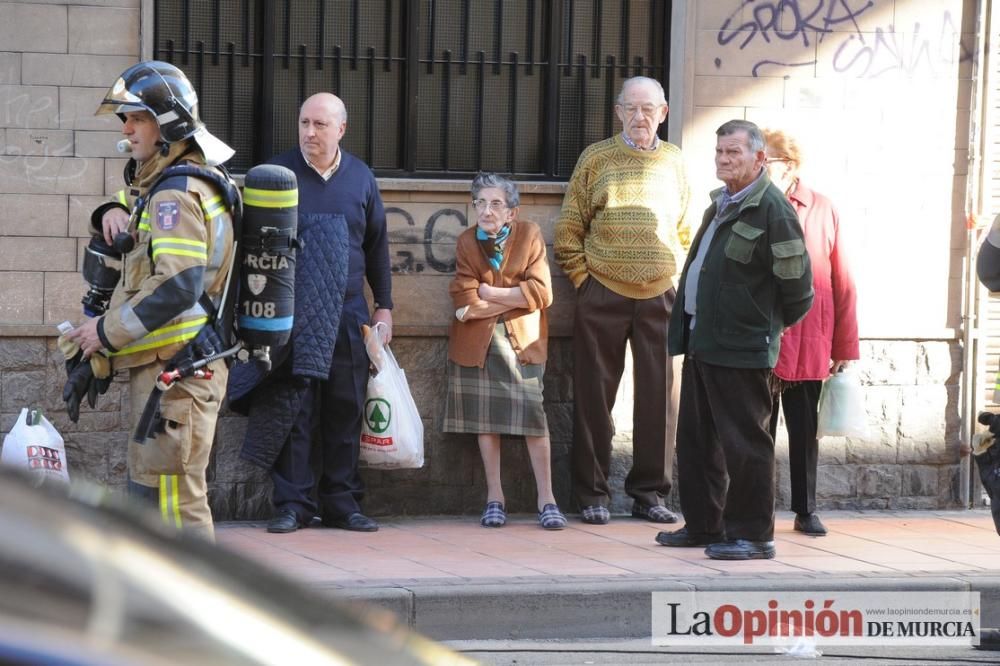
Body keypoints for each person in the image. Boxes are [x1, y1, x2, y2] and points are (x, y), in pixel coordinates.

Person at [65, 60, 237, 539]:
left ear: (168, 124)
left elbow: (177, 285)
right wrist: (112, 209)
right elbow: (136, 211)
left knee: (176, 508)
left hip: (180, 374)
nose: (127, 128)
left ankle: (199, 608)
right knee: (152, 501)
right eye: (126, 119)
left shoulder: (175, 195)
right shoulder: (174, 183)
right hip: (171, 372)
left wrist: (103, 333)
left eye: (137, 118)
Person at [229, 93, 392, 534]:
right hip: (290, 316)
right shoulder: (277, 177)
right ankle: (293, 505)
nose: (309, 133)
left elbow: (376, 248)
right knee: (292, 411)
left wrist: (385, 307)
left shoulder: (361, 178)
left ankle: (342, 503)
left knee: (345, 408)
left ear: (342, 129)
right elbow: (250, 248)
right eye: (304, 123)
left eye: (320, 124)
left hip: (347, 312)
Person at [657, 119, 814, 560]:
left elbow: (799, 290)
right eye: (720, 153)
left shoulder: (773, 210)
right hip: (703, 341)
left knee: (746, 444)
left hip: (743, 348)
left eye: (734, 153)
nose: (724, 160)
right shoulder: (721, 203)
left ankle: (753, 534)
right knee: (697, 441)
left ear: (759, 158)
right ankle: (706, 525)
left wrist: (763, 324)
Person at [554, 76, 691, 525]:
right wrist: (584, 282)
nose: (639, 117)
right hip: (602, 292)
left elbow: (686, 229)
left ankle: (650, 494)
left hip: (660, 295)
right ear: (618, 112)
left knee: (659, 399)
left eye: (648, 109)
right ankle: (591, 494)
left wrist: (677, 278)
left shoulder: (674, 162)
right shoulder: (595, 158)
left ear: (663, 113)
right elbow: (569, 230)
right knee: (593, 397)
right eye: (631, 108)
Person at [443, 172, 567, 530]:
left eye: (496, 203)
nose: (487, 211)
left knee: (533, 419)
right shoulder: (467, 241)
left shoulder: (529, 235)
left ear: (512, 212)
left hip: (522, 344)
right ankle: (494, 498)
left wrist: (492, 294)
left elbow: (543, 295)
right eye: (480, 203)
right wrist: (516, 298)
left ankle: (548, 500)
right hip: (477, 344)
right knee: (486, 422)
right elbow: (463, 303)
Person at [762, 129, 859, 537]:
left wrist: (845, 346)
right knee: (757, 434)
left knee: (804, 434)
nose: (757, 166)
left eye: (764, 160)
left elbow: (842, 280)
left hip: (808, 341)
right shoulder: (753, 204)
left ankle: (806, 509)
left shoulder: (822, 208)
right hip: (763, 340)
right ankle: (757, 509)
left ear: (788, 165)